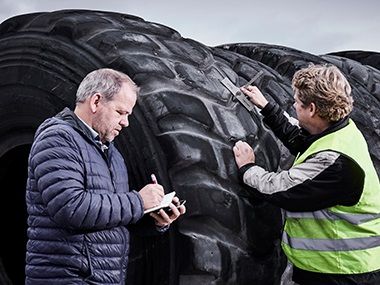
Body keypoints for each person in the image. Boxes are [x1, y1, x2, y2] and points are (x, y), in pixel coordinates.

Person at [25, 68, 186, 284]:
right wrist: (138, 200)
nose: (126, 122)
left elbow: (111, 218)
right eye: (121, 112)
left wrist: (154, 216)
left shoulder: (112, 154)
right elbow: (70, 208)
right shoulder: (57, 139)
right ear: (96, 102)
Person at [232, 64, 380, 285]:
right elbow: (301, 139)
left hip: (343, 272)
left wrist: (248, 169)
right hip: (335, 267)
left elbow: (281, 189)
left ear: (312, 109)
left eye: (298, 102)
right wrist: (266, 107)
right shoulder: (341, 129)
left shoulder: (336, 161)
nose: (293, 105)